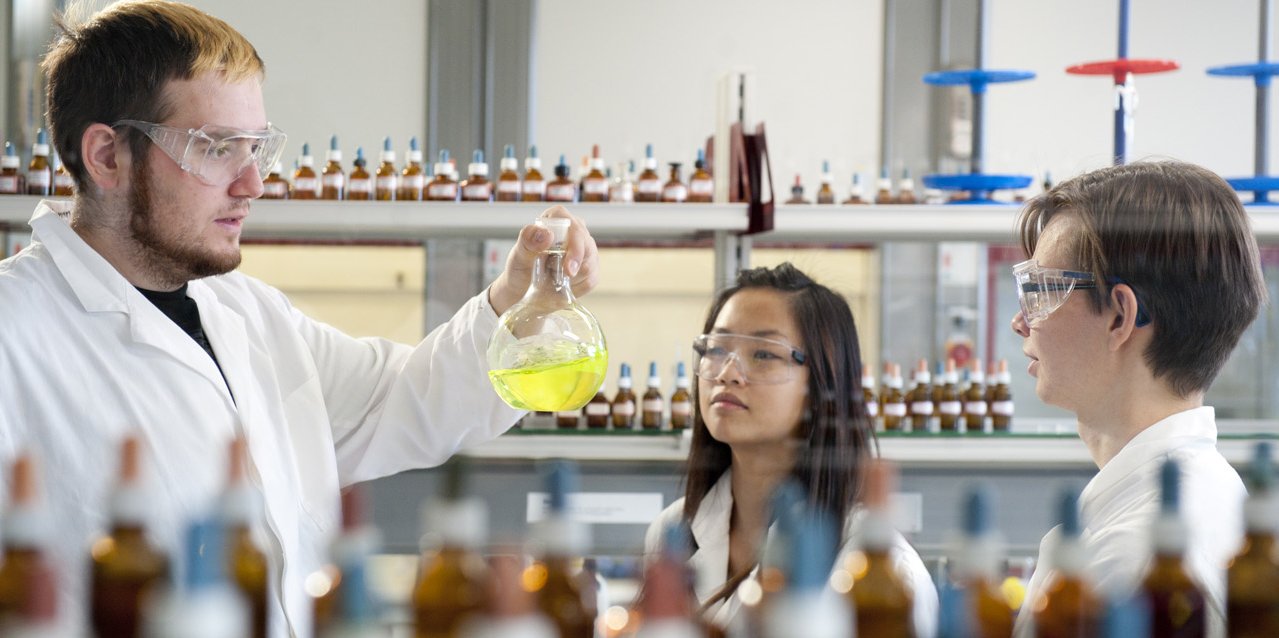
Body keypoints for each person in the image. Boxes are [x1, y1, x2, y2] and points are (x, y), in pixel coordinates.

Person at [0, 2, 599, 635]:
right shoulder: (15, 331)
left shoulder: (251, 315)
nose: (253, 182)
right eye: (216, 148)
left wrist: (512, 298)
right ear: (107, 156)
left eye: (257, 147)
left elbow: (408, 397)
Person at [1008, 160, 1266, 637]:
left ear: (1119, 317)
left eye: (1041, 291)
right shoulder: (1187, 497)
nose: (1020, 322)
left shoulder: (1133, 560)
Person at [644, 263, 939, 636]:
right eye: (717, 348)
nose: (727, 373)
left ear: (821, 384)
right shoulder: (672, 530)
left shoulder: (882, 569)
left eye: (763, 354)